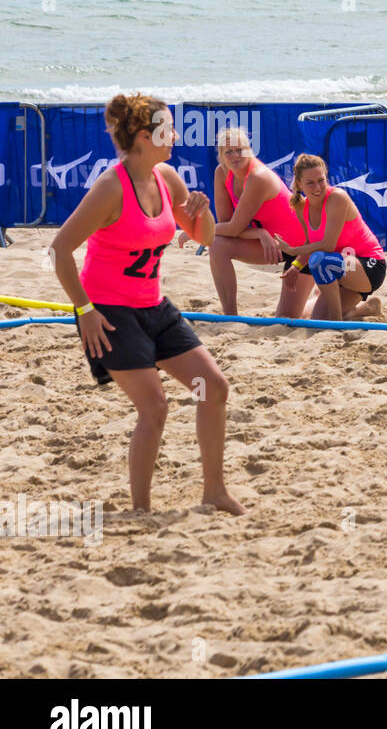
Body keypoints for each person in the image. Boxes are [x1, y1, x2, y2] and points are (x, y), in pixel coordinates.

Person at [49, 94, 246, 515]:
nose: (174, 135)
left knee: (211, 389)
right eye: (166, 129)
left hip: (154, 307)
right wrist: (84, 311)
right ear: (143, 136)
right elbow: (61, 249)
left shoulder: (167, 177)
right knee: (155, 407)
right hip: (109, 313)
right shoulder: (109, 188)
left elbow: (205, 238)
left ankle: (214, 491)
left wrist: (203, 211)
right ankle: (140, 509)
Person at [209, 126, 313, 317]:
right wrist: (259, 233)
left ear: (249, 150)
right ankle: (230, 317)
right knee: (217, 244)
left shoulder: (258, 177)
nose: (235, 156)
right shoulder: (222, 173)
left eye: (240, 150)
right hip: (272, 245)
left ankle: (349, 305)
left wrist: (196, 229)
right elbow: (226, 225)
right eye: (229, 152)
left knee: (287, 318)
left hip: (302, 248)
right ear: (221, 156)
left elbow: (232, 228)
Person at [275, 154, 387, 321]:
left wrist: (291, 250)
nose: (318, 187)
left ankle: (337, 321)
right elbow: (310, 242)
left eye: (321, 180)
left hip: (368, 266)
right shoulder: (301, 207)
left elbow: (327, 245)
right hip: (338, 266)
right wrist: (296, 266)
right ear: (299, 184)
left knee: (320, 260)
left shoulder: (337, 197)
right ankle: (363, 309)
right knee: (314, 319)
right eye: (310, 183)